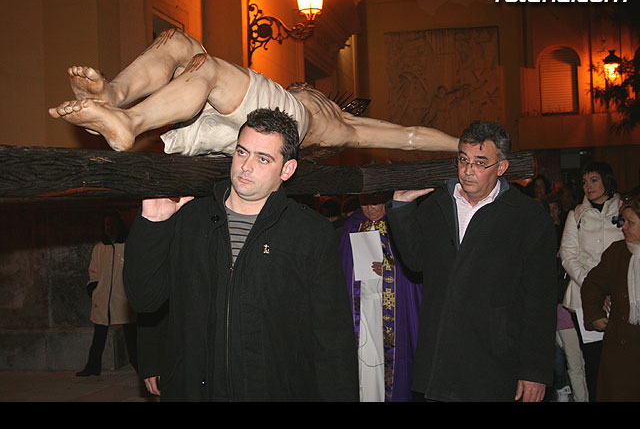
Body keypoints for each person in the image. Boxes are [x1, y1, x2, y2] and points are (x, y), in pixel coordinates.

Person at [122, 108, 359, 401]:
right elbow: (144, 299)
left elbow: (332, 339)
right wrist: (153, 225)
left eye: (263, 158)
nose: (246, 166)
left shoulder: (310, 233)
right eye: (242, 152)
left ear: (287, 169)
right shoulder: (191, 219)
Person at [48, 28, 459, 159]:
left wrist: (467, 146)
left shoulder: (341, 123)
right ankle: (114, 94)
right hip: (245, 116)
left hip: (285, 126)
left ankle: (129, 122)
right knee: (176, 41)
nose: (307, 84)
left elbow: (410, 135)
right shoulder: (289, 91)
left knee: (208, 68)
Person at [384, 120, 557, 402]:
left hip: (494, 359)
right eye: (463, 160)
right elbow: (415, 263)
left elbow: (540, 300)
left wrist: (535, 371)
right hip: (441, 358)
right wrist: (402, 208)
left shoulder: (528, 218)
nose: (468, 170)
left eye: (480, 162)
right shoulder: (437, 204)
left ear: (501, 168)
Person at [338, 192, 422, 402]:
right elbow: (341, 268)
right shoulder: (351, 225)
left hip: (394, 307)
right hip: (361, 308)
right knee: (363, 361)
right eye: (365, 203)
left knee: (392, 363)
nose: (370, 209)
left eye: (376, 202)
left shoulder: (401, 224)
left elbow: (416, 267)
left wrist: (391, 269)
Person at [559, 161, 623, 401]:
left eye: (594, 180)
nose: (588, 186)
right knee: (595, 361)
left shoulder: (624, 209)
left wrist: (615, 287)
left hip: (622, 293)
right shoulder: (576, 214)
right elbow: (568, 255)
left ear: (606, 180)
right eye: (584, 182)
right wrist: (595, 287)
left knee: (623, 358)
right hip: (584, 296)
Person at [581, 193, 640, 401]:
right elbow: (592, 284)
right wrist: (595, 315)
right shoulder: (617, 253)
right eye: (624, 221)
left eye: (631, 222)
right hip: (622, 346)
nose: (624, 227)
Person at [77, 212, 137, 376]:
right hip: (103, 296)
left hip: (122, 296)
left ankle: (139, 365)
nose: (109, 228)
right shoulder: (99, 247)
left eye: (112, 224)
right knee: (99, 333)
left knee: (131, 334)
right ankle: (93, 366)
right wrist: (93, 287)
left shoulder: (127, 245)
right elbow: (94, 271)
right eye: (106, 225)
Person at [545, 194, 588, 402]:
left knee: (573, 361)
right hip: (555, 310)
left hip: (564, 309)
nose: (555, 213)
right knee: (566, 362)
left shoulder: (566, 236)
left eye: (556, 209)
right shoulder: (547, 240)